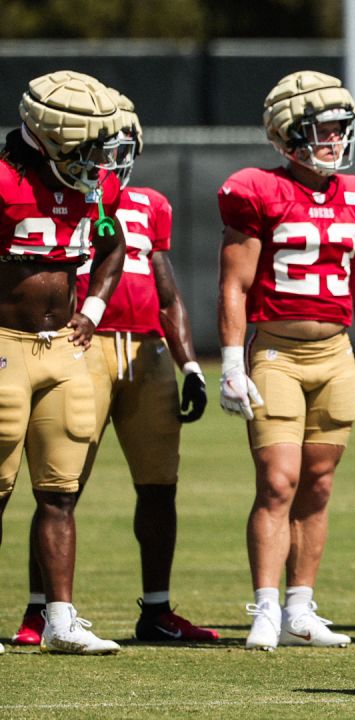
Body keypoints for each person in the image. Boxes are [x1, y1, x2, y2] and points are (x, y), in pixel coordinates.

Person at [9, 89, 216, 648]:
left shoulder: (127, 197)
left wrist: (188, 363)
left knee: (111, 486)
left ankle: (117, 613)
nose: (107, 160)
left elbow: (148, 277)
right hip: (49, 345)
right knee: (40, 485)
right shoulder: (25, 182)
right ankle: (38, 612)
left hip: (114, 347)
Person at [218, 70, 355, 651]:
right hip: (276, 353)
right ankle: (265, 606)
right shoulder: (255, 191)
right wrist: (230, 361)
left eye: (343, 129)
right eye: (326, 130)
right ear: (289, 136)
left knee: (317, 485)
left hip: (336, 354)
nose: (338, 141)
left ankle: (300, 608)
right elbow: (234, 286)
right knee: (277, 481)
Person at [0, 70, 129, 654]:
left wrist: (95, 308)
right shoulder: (2, 180)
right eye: (90, 143)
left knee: (60, 492)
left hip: (63, 350)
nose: (99, 157)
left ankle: (60, 618)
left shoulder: (94, 187)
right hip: (5, 345)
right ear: (47, 133)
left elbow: (113, 246)